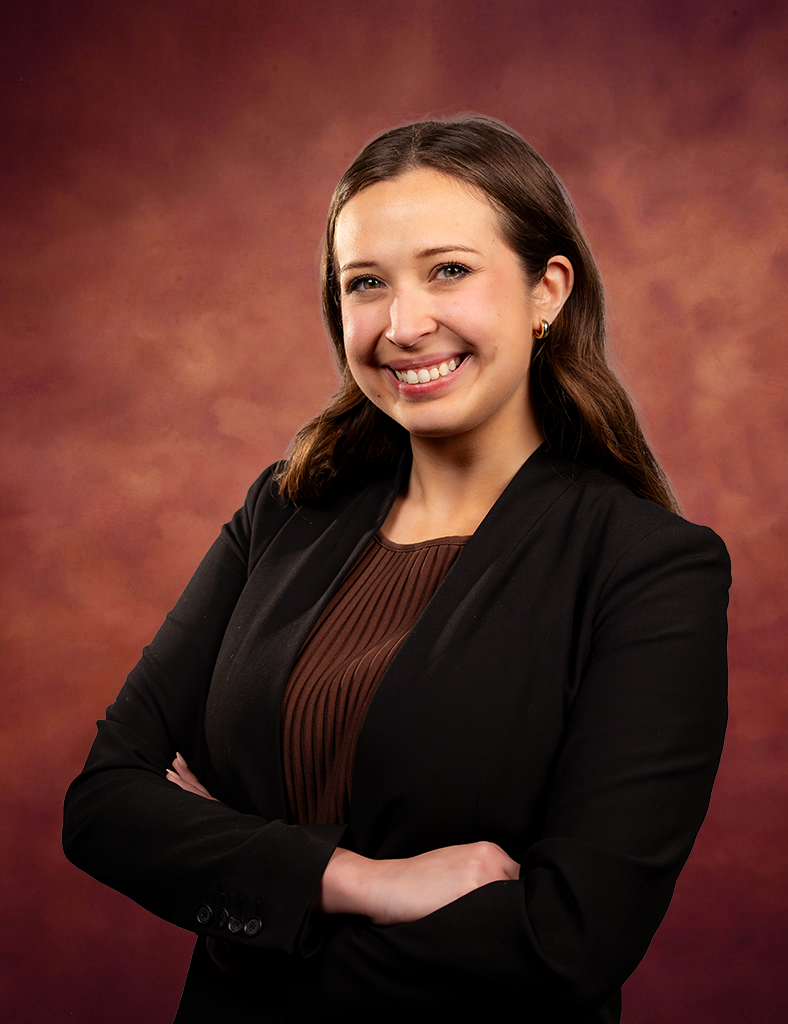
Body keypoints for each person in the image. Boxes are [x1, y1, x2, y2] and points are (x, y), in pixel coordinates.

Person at [63, 116, 730, 1023]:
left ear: (548, 291)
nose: (404, 325)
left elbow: (570, 938)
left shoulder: (650, 570)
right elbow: (104, 804)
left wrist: (250, 907)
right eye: (365, 284)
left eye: (449, 270)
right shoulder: (284, 511)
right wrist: (362, 882)